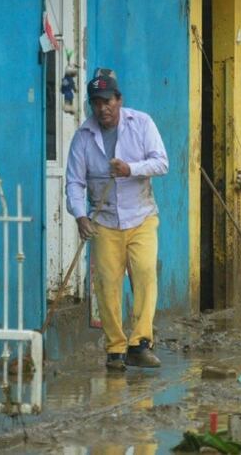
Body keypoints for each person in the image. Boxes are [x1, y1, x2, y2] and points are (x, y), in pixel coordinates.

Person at [65, 68, 168, 372]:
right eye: (96, 102)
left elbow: (162, 162)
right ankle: (115, 349)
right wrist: (80, 215)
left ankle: (140, 344)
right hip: (105, 221)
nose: (103, 108)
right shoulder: (84, 137)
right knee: (107, 284)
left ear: (119, 99)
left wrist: (131, 169)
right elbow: (74, 181)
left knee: (145, 274)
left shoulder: (142, 123)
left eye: (108, 101)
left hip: (142, 216)